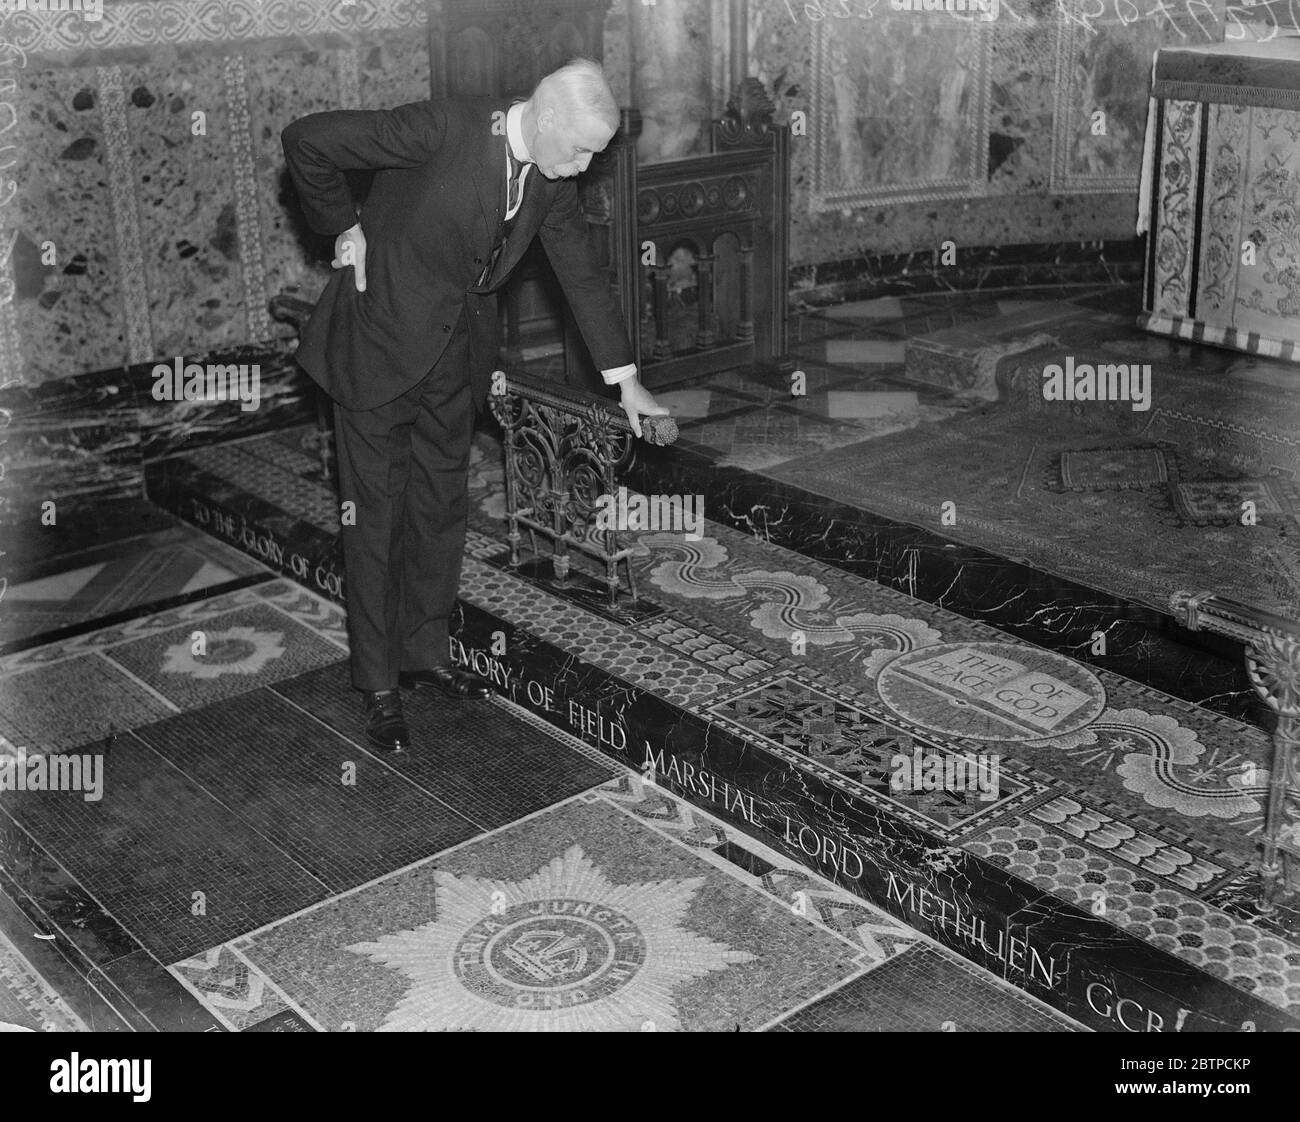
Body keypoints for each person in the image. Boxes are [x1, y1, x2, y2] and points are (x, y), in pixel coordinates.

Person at [282, 58, 668, 753]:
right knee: (375, 515)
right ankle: (377, 683)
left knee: (439, 502)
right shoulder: (440, 128)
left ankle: (423, 653)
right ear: (545, 116)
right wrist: (342, 225)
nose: (584, 167)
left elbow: (582, 271)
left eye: (594, 154)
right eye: (579, 148)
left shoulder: (549, 182)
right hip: (379, 339)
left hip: (457, 354)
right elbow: (308, 138)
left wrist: (627, 381)